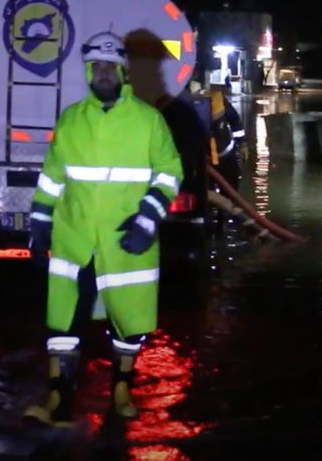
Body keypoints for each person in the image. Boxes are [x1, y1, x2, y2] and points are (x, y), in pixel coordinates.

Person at [23, 31, 184, 428]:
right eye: (98, 66)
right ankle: (58, 402)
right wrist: (40, 223)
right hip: (75, 240)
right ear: (88, 71)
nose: (105, 73)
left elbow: (169, 173)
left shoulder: (149, 121)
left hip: (126, 242)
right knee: (64, 323)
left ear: (124, 71)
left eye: (112, 66)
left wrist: (146, 221)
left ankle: (122, 391)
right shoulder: (71, 120)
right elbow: (52, 176)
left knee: (126, 322)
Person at [210, 83, 246, 193]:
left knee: (230, 190)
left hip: (225, 155)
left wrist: (242, 144)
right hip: (206, 160)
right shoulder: (183, 105)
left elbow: (235, 121)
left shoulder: (218, 99)